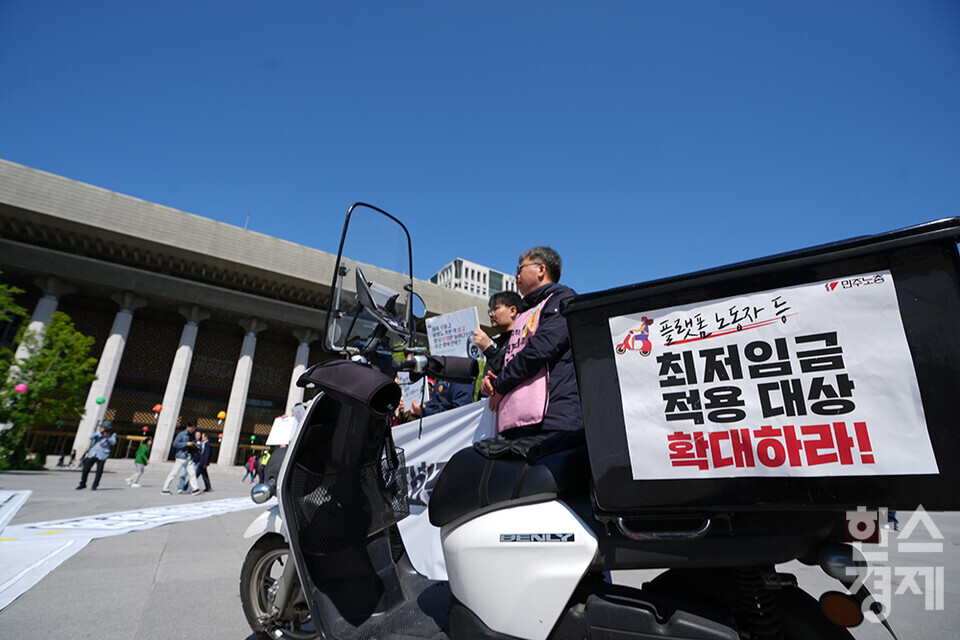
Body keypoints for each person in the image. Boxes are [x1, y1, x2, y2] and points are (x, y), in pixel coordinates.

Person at [482, 246, 582, 436]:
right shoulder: (526, 311)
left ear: (541, 270)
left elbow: (539, 349)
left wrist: (501, 383)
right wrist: (492, 378)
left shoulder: (561, 299)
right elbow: (513, 355)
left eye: (520, 268)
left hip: (552, 420)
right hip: (520, 420)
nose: (516, 275)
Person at [473, 290, 522, 384]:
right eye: (490, 310)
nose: (491, 314)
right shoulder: (500, 343)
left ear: (512, 311)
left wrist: (488, 349)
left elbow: (511, 371)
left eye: (495, 309)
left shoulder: (521, 340)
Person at [161, 421, 202, 495]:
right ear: (187, 427)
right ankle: (165, 489)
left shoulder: (192, 435)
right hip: (181, 457)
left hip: (189, 457)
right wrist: (186, 444)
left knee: (192, 473)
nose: (193, 430)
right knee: (174, 473)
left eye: (194, 428)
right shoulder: (181, 434)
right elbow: (175, 444)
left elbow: (192, 443)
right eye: (192, 428)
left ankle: (195, 489)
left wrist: (194, 445)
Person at [76, 425, 117, 490]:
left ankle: (95, 485)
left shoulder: (112, 435)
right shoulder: (98, 433)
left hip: (102, 455)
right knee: (85, 469)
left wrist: (107, 437)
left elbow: (113, 443)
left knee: (99, 471)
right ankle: (83, 483)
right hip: (93, 453)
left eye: (103, 428)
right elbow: (90, 437)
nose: (102, 428)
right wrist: (98, 432)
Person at [408, 378, 475, 417]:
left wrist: (424, 411)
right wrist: (416, 411)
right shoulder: (442, 376)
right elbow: (433, 404)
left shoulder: (462, 378)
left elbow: (457, 414)